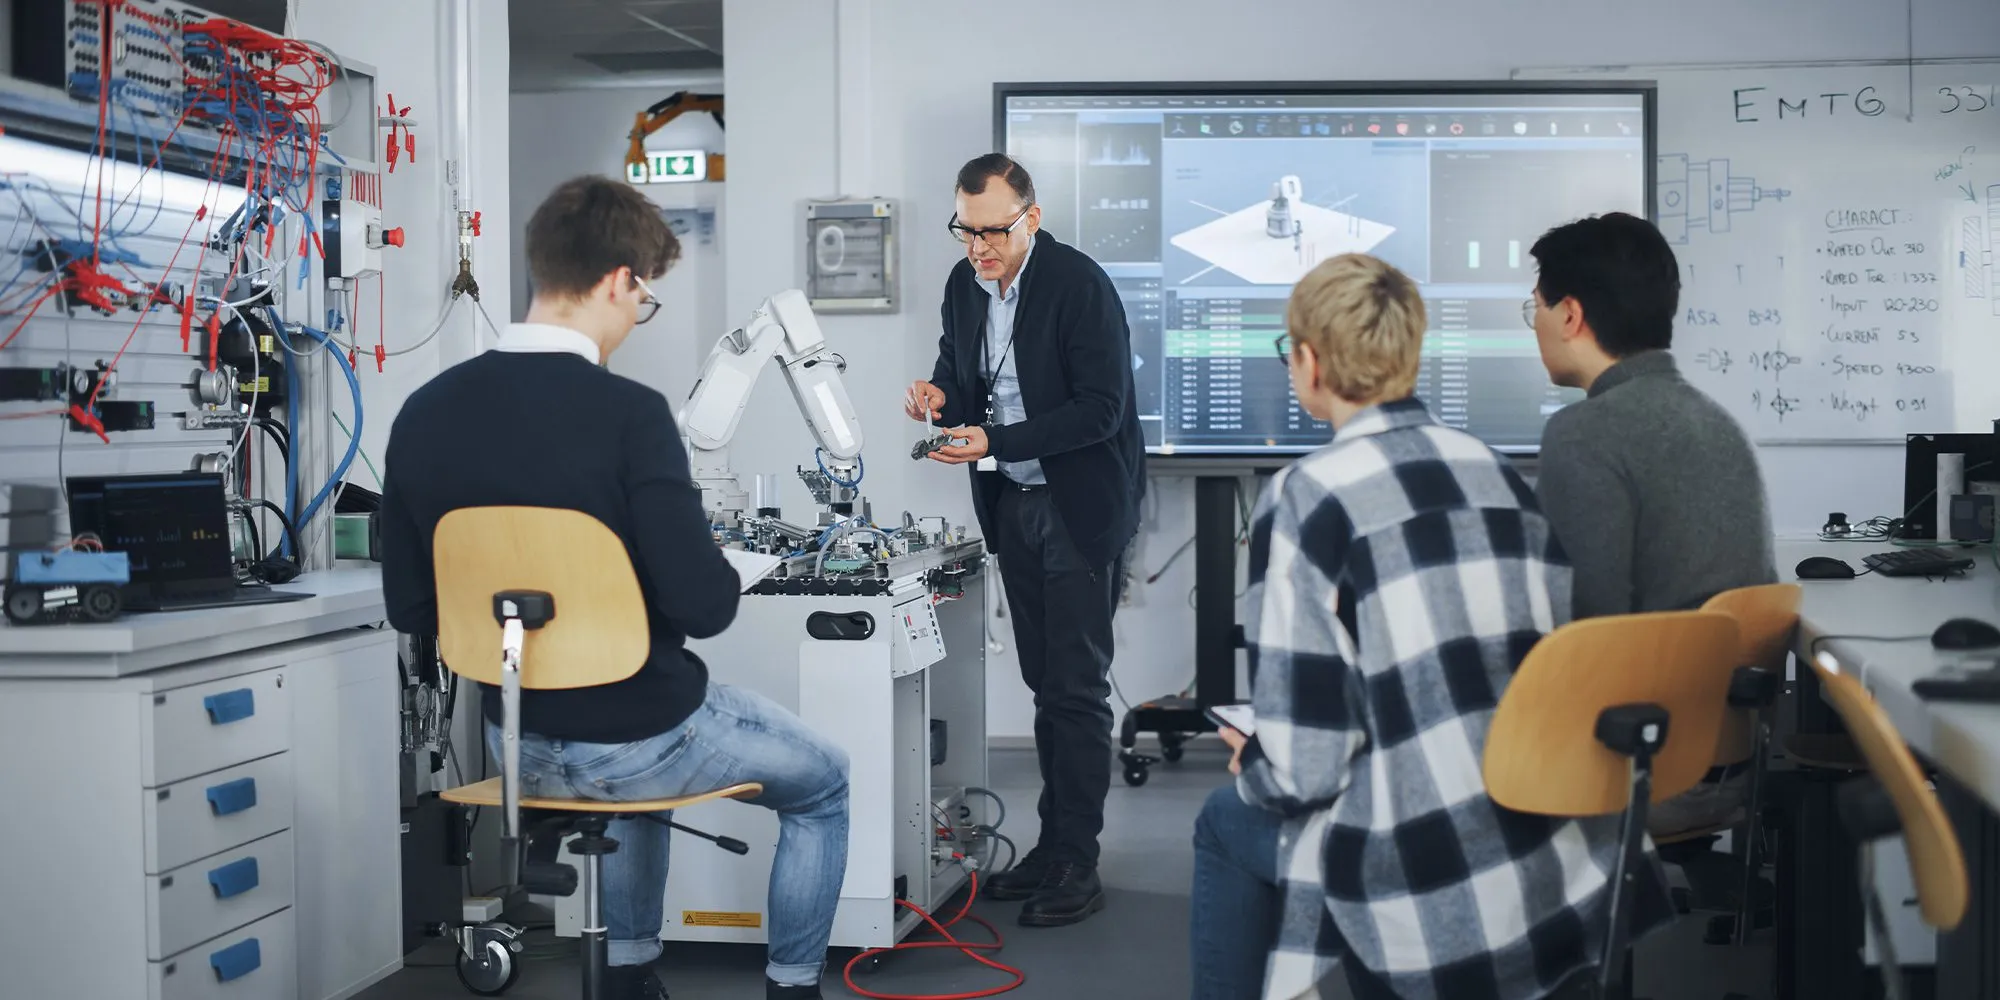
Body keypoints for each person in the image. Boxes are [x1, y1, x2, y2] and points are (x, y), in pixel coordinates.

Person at [379, 175, 850, 1000]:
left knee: (628, 768)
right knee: (824, 781)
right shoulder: (631, 415)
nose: (638, 314)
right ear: (618, 280)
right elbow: (705, 607)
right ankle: (793, 986)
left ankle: (628, 976)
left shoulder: (423, 411)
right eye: (645, 296)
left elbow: (413, 609)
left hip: (517, 741)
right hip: (640, 742)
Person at [1190, 253, 1670, 1000]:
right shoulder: (1498, 473)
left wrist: (1255, 757)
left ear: (1309, 362)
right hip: (1560, 853)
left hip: (1430, 876)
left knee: (1225, 820)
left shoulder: (1306, 498)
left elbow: (1307, 771)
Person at [905, 153, 1145, 927]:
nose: (979, 248)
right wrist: (939, 396)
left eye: (994, 232)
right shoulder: (962, 284)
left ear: (1031, 219)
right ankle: (1052, 847)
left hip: (1079, 507)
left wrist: (996, 441)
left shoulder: (1078, 285)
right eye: (966, 231)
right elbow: (960, 377)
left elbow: (1101, 410)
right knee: (1045, 681)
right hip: (1013, 502)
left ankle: (1078, 861)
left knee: (1075, 687)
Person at [1527, 211, 1777, 837]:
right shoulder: (1716, 419)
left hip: (1640, 765)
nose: (1535, 324)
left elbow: (1589, 633)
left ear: (1570, 315)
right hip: (1726, 755)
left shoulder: (1583, 433)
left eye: (1535, 307)